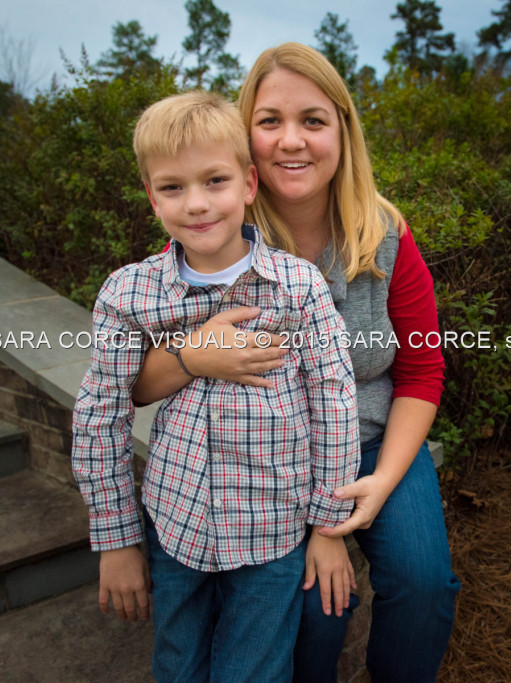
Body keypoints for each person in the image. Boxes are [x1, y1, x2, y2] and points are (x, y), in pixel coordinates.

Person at [131, 43, 461, 682]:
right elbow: (136, 383)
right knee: (314, 608)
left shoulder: (386, 235)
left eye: (313, 120)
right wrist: (192, 357)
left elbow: (421, 370)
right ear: (245, 138)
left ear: (343, 130)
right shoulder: (213, 225)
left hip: (371, 439)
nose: (292, 141)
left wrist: (379, 484)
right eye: (270, 121)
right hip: (266, 458)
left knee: (424, 583)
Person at [71, 90, 360, 682]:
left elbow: (335, 405)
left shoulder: (297, 287)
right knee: (179, 666)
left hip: (272, 534)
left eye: (215, 181)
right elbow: (100, 414)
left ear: (250, 184)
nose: (197, 205)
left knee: (254, 672)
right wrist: (117, 539)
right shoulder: (129, 295)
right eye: (173, 187)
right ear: (152, 197)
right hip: (175, 528)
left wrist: (328, 527)